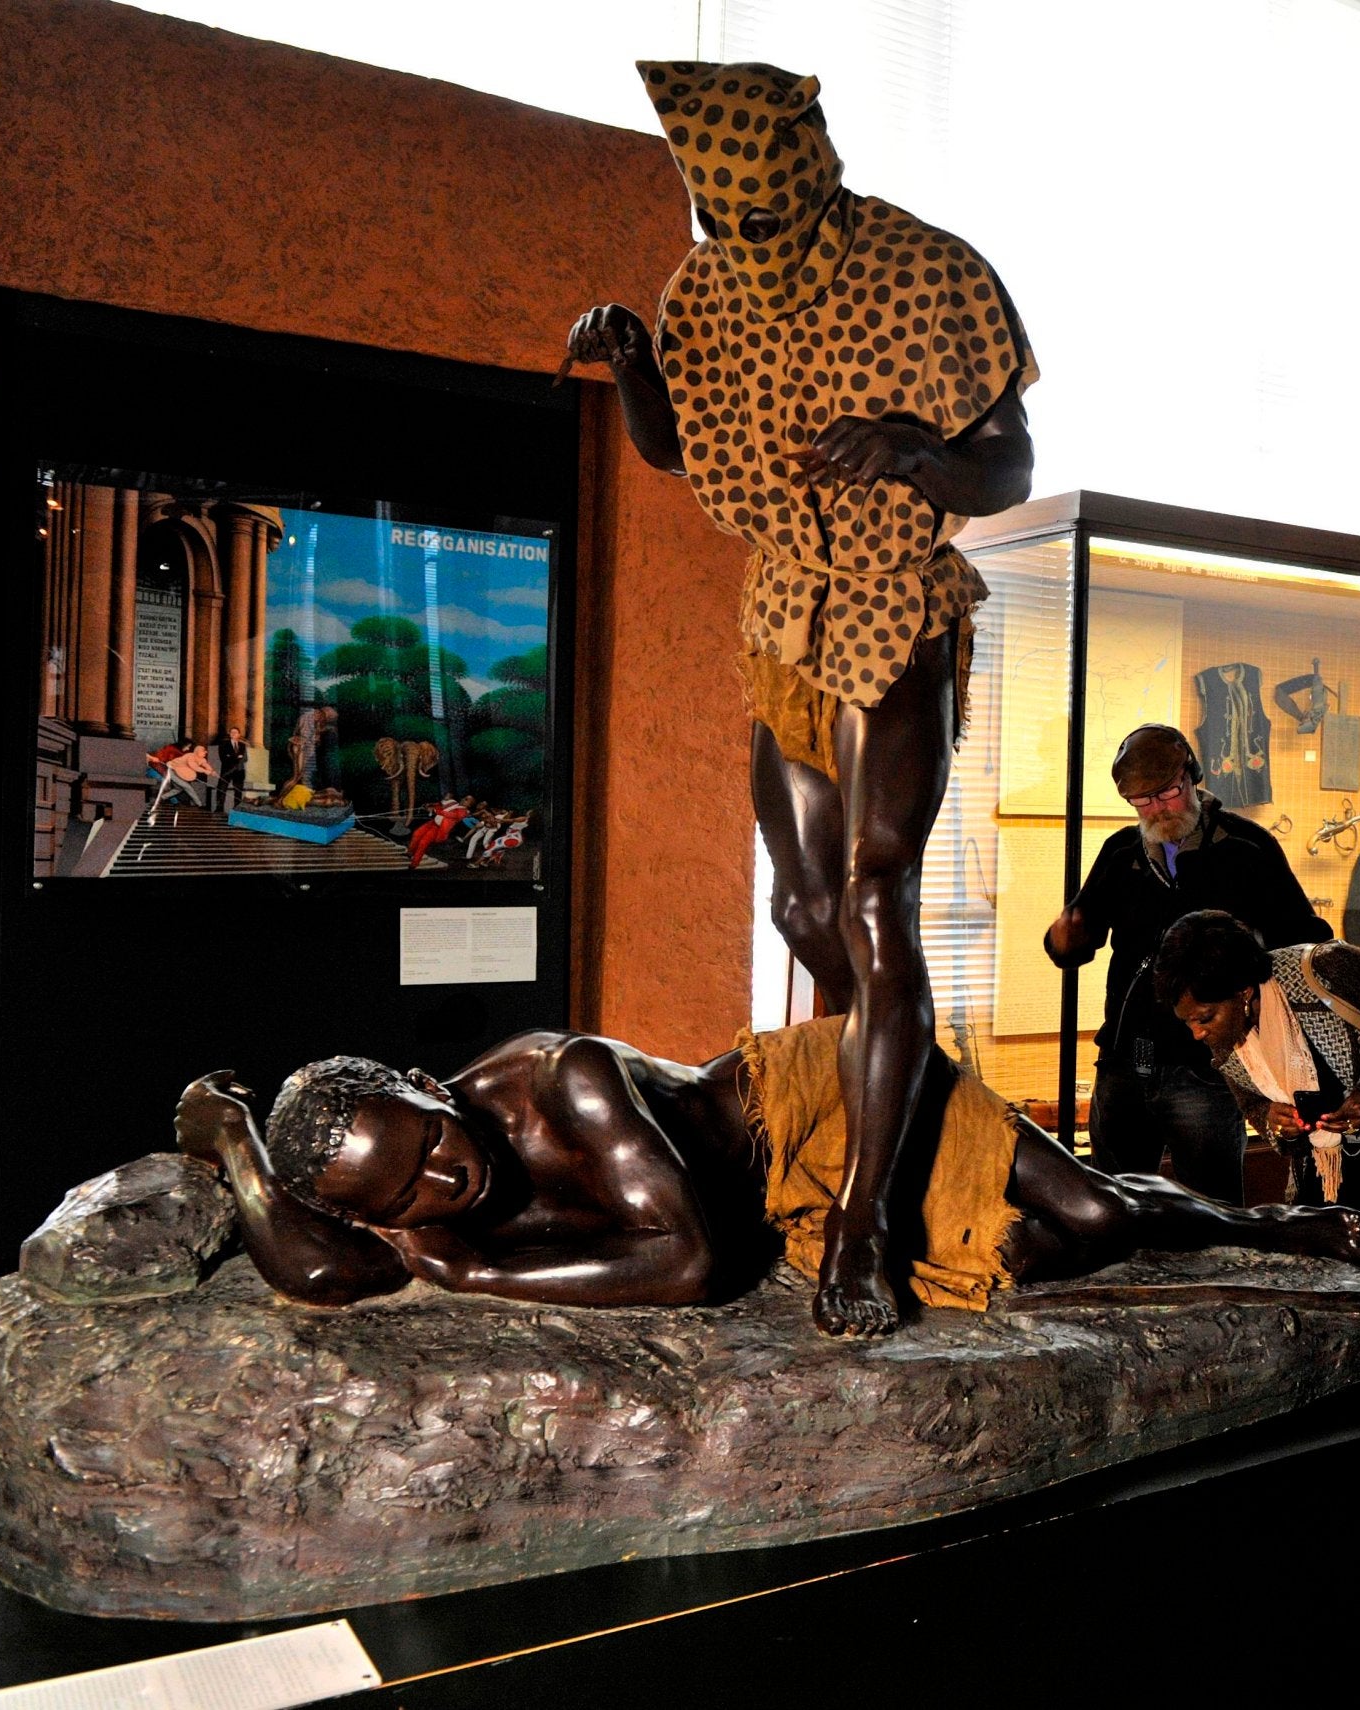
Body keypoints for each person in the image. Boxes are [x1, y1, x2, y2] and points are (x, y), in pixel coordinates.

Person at [567, 60, 1036, 1339]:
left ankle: (864, 1224)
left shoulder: (926, 271)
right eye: (721, 226)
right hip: (782, 611)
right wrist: (631, 368)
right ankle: (899, 1099)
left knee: (877, 898)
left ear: (814, 171)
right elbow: (688, 447)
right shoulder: (702, 290)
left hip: (891, 606)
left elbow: (1009, 466)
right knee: (802, 904)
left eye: (763, 223)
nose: (743, 248)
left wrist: (912, 448)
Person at [170, 1014, 1360, 1317]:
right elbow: (329, 1281)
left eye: (430, 1140)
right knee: (1045, 1253)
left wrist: (484, 1282)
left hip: (818, 1091)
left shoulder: (563, 1076)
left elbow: (690, 1261)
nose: (445, 1182)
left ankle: (1272, 1227)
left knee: (1091, 1207)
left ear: (428, 1089)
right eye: (406, 1194)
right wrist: (240, 1161)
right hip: (779, 1203)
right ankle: (1183, 1220)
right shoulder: (397, 1210)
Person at [1151, 909, 1360, 1311]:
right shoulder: (1227, 1035)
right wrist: (1272, 1120)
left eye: (1205, 1017)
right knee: (1330, 1297)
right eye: (1187, 1022)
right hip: (1339, 1171)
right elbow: (1252, 1101)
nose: (1197, 1032)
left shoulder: (1326, 968)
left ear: (1243, 992)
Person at [1044, 726, 1329, 1203]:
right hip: (1123, 1061)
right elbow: (1078, 943)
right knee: (1112, 1205)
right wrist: (1063, 939)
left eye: (1168, 793)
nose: (1158, 809)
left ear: (1192, 776)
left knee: (1212, 1210)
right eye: (1142, 801)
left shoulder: (1246, 849)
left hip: (1211, 1067)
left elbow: (1302, 941)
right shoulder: (1121, 853)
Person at [146, 738, 213, 822]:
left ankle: (162, 798)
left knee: (179, 788)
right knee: (187, 787)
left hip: (170, 772)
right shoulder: (176, 752)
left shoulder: (186, 755)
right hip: (167, 771)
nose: (188, 749)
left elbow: (200, 764)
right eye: (188, 747)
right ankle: (199, 804)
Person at [215, 724, 250, 811]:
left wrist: (232, 756)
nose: (233, 734)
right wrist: (237, 757)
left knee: (238, 790)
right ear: (230, 734)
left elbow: (245, 758)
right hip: (227, 770)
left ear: (239, 734)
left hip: (239, 771)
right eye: (232, 732)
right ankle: (219, 808)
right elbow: (223, 758)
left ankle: (237, 808)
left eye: (235, 732)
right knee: (222, 789)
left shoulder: (242, 745)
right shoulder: (224, 744)